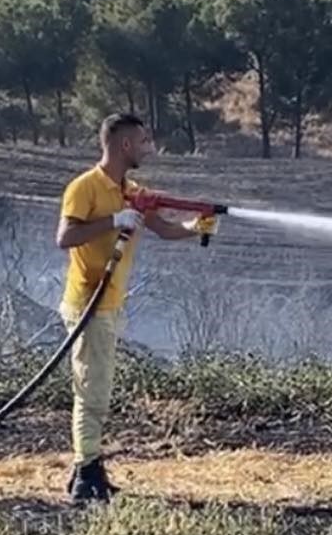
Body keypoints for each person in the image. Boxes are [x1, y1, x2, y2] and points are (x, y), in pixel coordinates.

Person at [54, 113, 218, 504]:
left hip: (109, 304)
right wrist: (113, 220)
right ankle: (85, 476)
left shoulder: (131, 191)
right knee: (92, 391)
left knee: (97, 387)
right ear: (124, 145)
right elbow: (65, 237)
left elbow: (161, 227)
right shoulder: (85, 188)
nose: (149, 148)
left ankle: (87, 470)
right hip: (87, 304)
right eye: (144, 142)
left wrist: (196, 226)